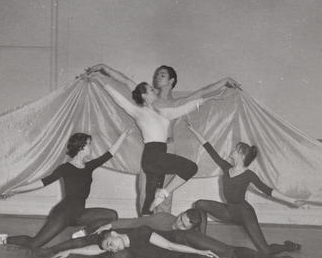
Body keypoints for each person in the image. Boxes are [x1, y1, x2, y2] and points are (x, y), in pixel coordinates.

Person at [86, 65, 239, 213]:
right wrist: (103, 70)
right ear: (145, 94)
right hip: (151, 152)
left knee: (160, 195)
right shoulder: (142, 105)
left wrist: (221, 86)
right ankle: (145, 222)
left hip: (166, 149)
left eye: (162, 75)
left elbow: (198, 97)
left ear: (171, 80)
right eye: (156, 75)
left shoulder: (171, 107)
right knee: (147, 193)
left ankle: (160, 224)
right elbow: (123, 86)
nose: (156, 78)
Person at [0, 129, 130, 253]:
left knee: (112, 215)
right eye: (89, 145)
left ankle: (82, 233)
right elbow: (41, 183)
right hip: (63, 214)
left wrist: (123, 135)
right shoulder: (65, 168)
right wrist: (15, 190)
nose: (91, 148)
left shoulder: (89, 166)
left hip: (79, 215)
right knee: (34, 245)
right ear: (81, 148)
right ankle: (4, 239)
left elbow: (109, 154)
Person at [185, 122, 306, 258]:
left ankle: (287, 246)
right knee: (200, 204)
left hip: (245, 213)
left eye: (235, 150)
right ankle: (202, 240)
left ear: (241, 154)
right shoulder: (226, 167)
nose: (232, 151)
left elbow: (268, 190)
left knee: (265, 251)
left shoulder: (249, 175)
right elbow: (209, 148)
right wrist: (193, 129)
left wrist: (291, 201)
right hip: (229, 211)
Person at [44, 214, 226, 258]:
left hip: (182, 242)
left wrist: (199, 251)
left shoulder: (142, 232)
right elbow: (96, 249)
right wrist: (71, 252)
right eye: (110, 249)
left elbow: (170, 245)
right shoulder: (119, 242)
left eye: (110, 245)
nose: (112, 250)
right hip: (177, 255)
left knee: (218, 252)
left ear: (115, 234)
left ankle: (235, 255)